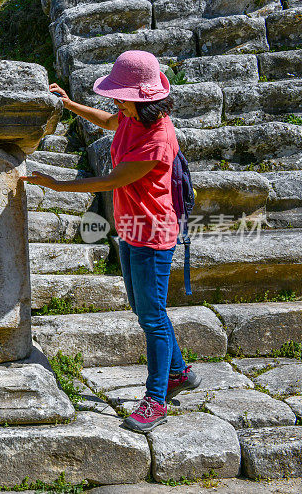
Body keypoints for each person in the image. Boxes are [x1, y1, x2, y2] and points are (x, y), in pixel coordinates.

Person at [24, 50, 200, 433]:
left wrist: (57, 185)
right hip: (131, 228)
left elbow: (109, 181)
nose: (115, 101)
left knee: (151, 316)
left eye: (120, 95)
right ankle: (179, 372)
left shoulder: (156, 137)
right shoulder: (132, 116)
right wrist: (71, 105)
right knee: (145, 309)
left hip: (152, 234)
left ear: (138, 98)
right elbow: (108, 121)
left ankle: (155, 399)